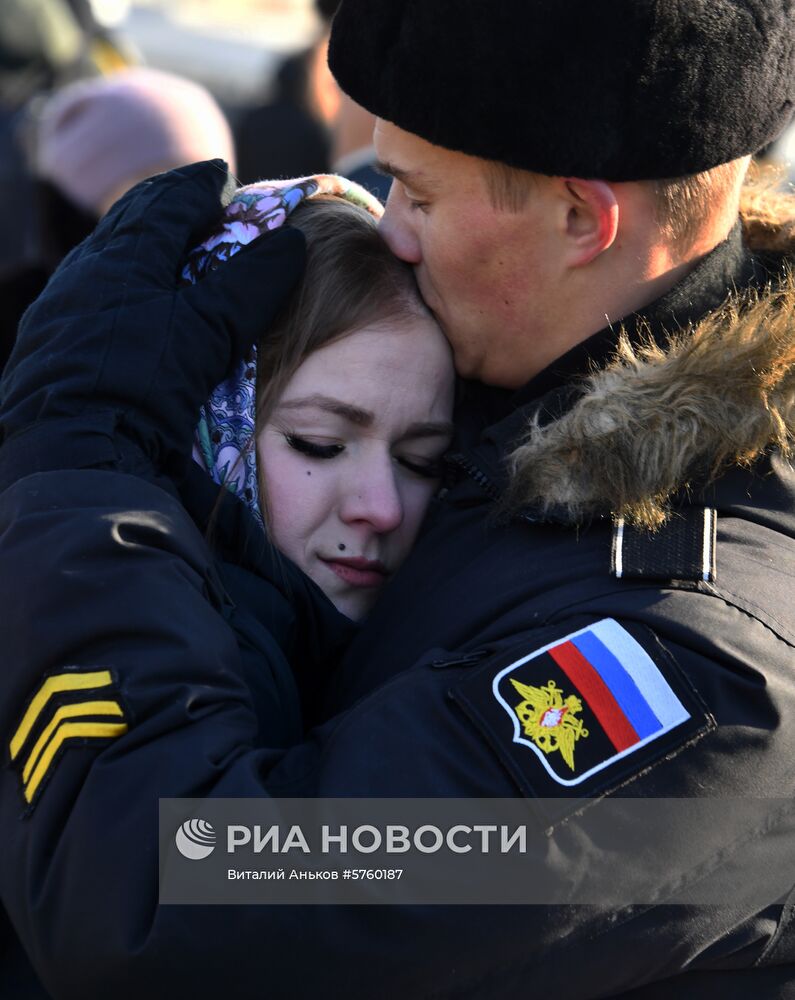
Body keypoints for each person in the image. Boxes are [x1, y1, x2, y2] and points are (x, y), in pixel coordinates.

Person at [1, 0, 795, 997]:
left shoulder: (696, 663)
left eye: (415, 194)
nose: (394, 232)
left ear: (580, 218)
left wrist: (81, 462)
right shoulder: (506, 397)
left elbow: (180, 904)